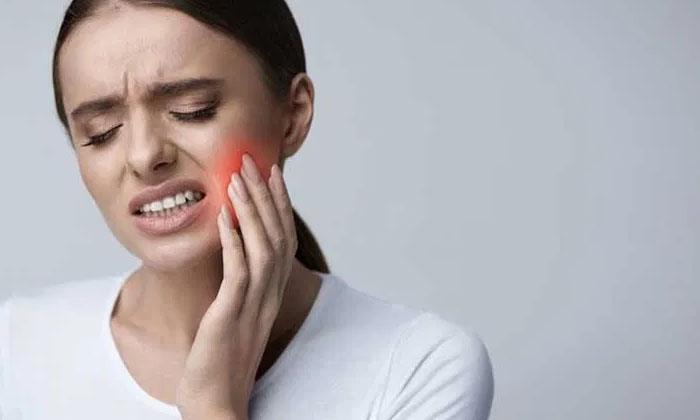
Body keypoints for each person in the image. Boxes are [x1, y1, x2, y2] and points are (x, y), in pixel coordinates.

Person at [0, 1, 494, 419]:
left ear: (293, 115)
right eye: (101, 133)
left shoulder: (417, 366)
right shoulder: (16, 347)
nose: (144, 155)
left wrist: (213, 404)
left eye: (193, 109)